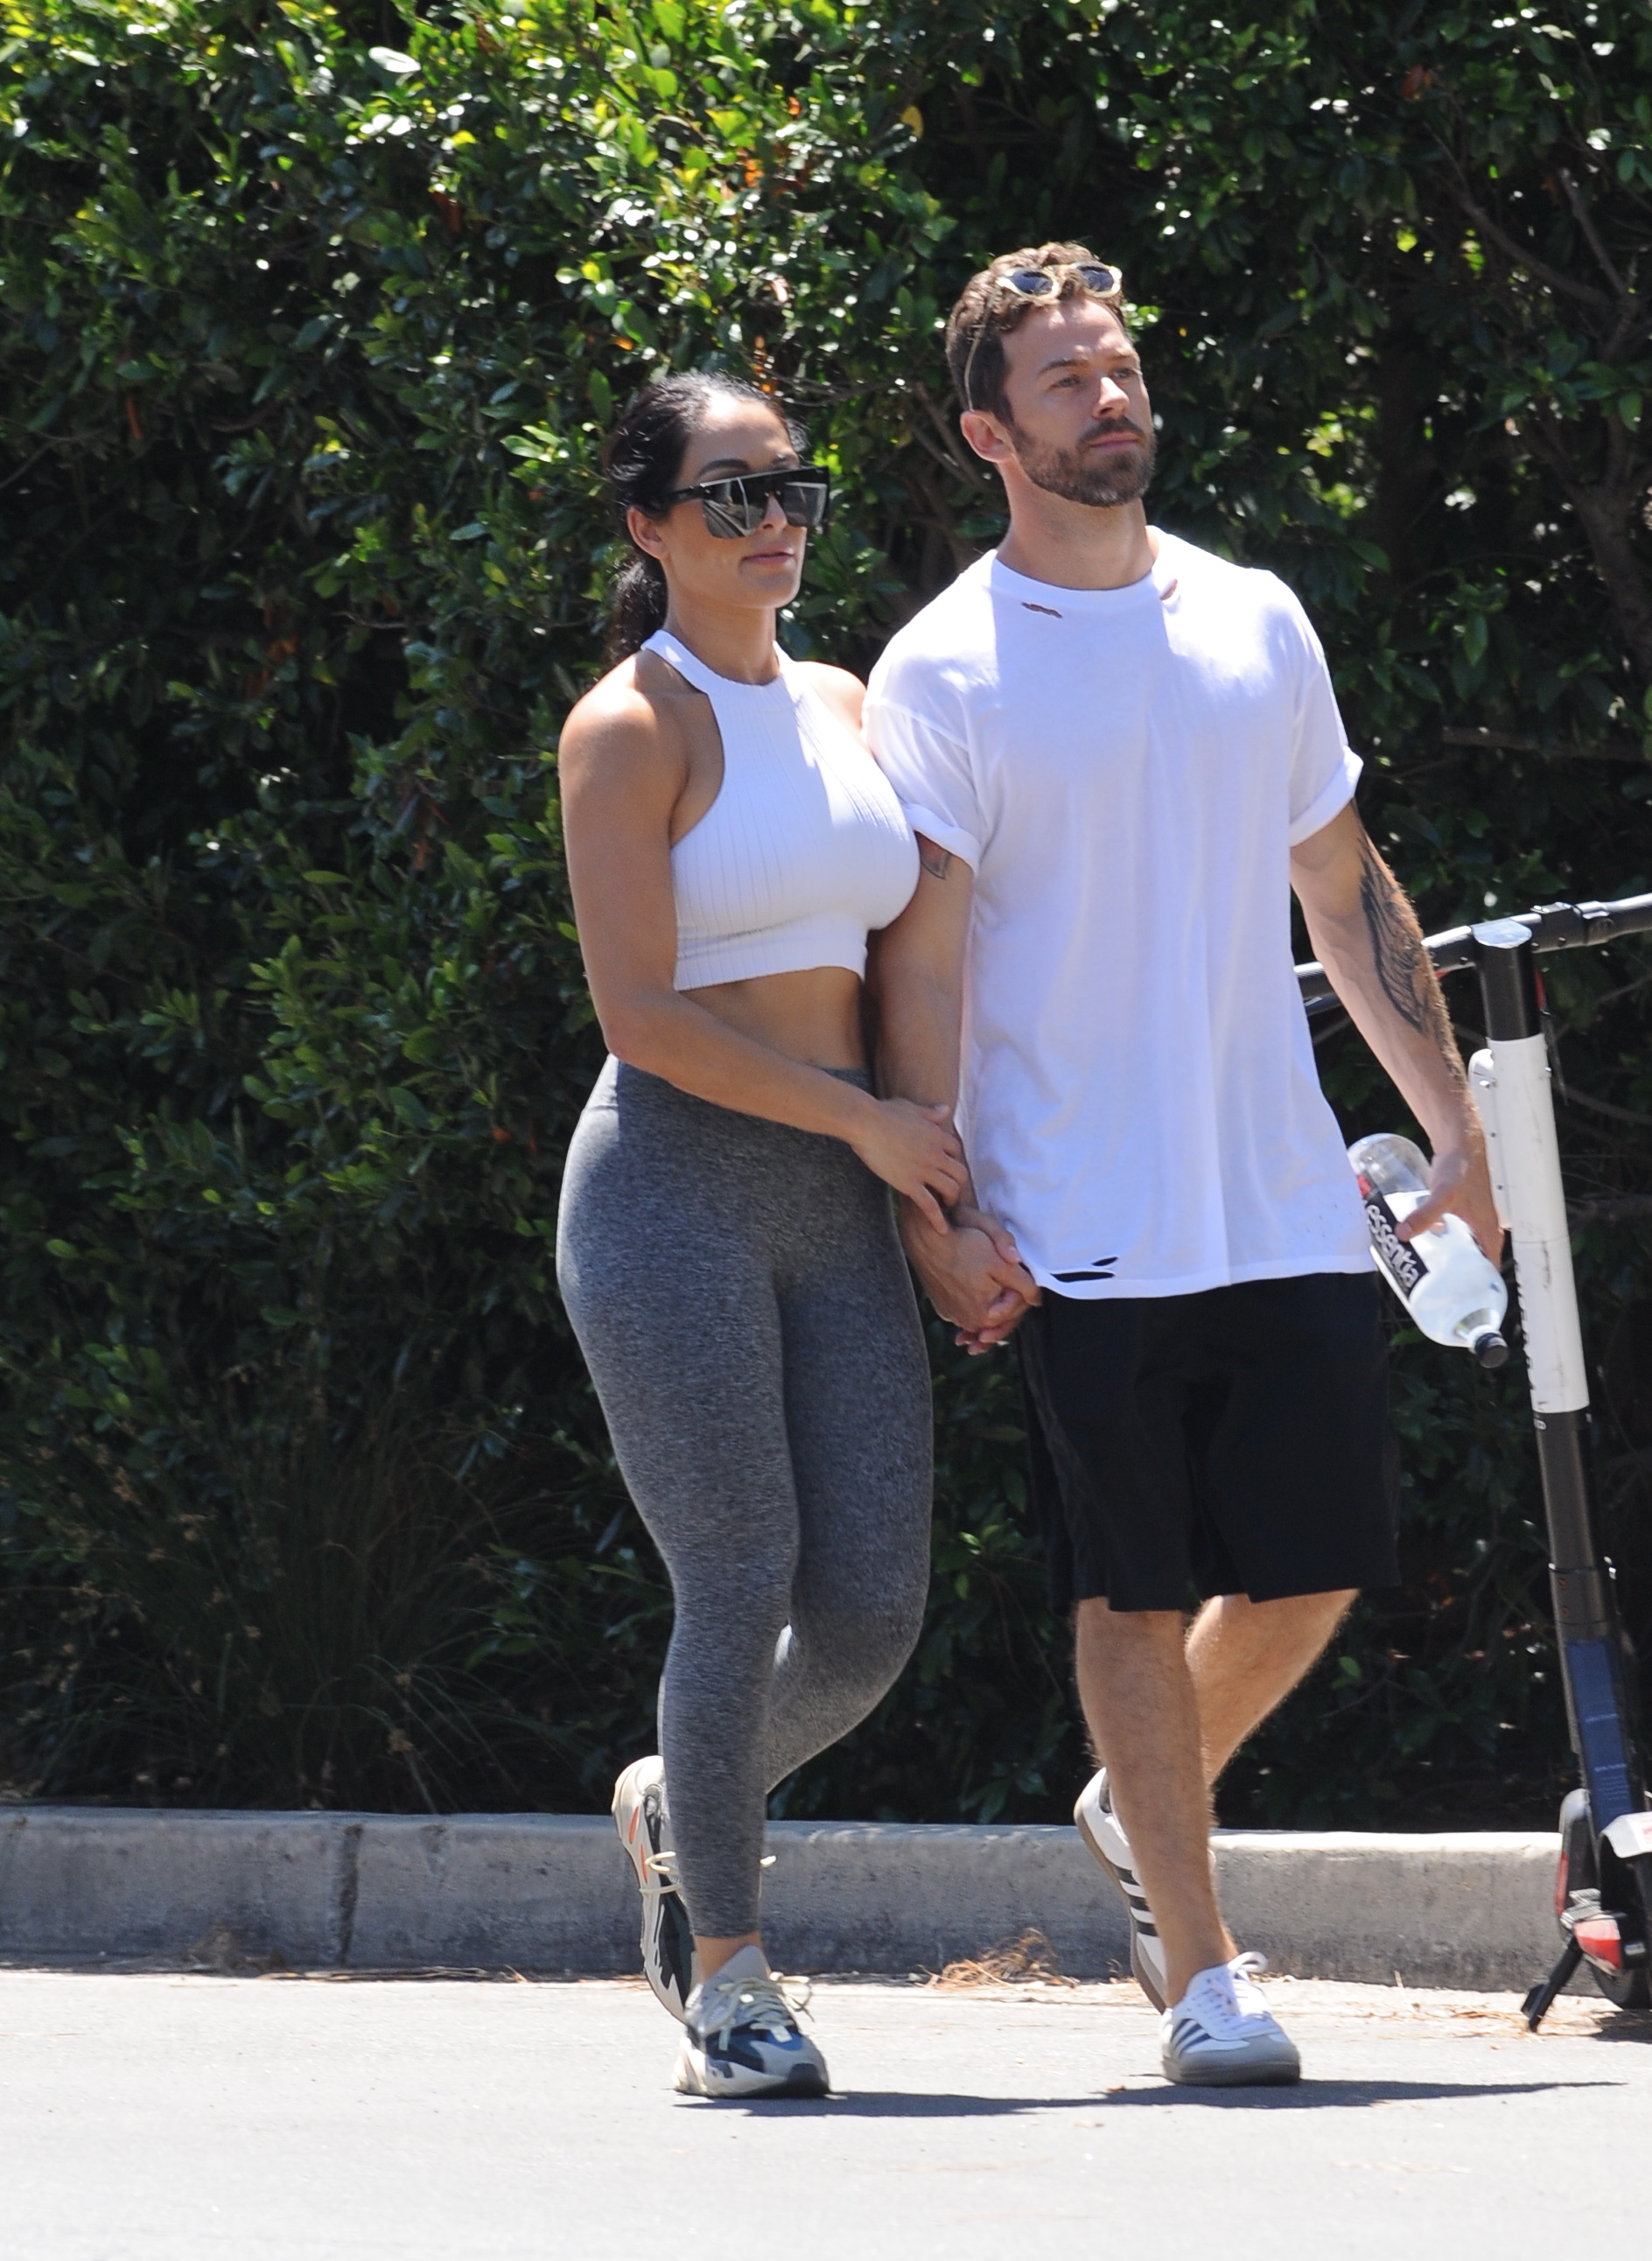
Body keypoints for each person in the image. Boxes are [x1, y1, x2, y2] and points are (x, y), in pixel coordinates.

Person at [866, 246, 1502, 2088]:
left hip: (1280, 1189)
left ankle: (1133, 1813)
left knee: (1313, 1568)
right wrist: (941, 1212)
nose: (1111, 396)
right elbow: (923, 961)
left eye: (1122, 363)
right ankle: (1204, 1970)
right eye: (1065, 380)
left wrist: (1452, 1127)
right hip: (1074, 1212)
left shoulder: (1254, 616)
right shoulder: (946, 666)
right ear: (991, 430)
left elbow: (1344, 881)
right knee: (1126, 1589)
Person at [555, 371, 959, 2100]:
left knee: (866, 1611)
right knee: (736, 1578)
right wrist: (868, 1124)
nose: (773, 518)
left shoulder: (848, 700)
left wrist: (935, 1185)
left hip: (838, 1199)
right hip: (670, 1192)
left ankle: (675, 1792)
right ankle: (728, 1971)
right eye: (729, 493)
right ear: (650, 526)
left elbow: (909, 961)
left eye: (789, 487)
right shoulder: (627, 728)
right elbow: (642, 1010)